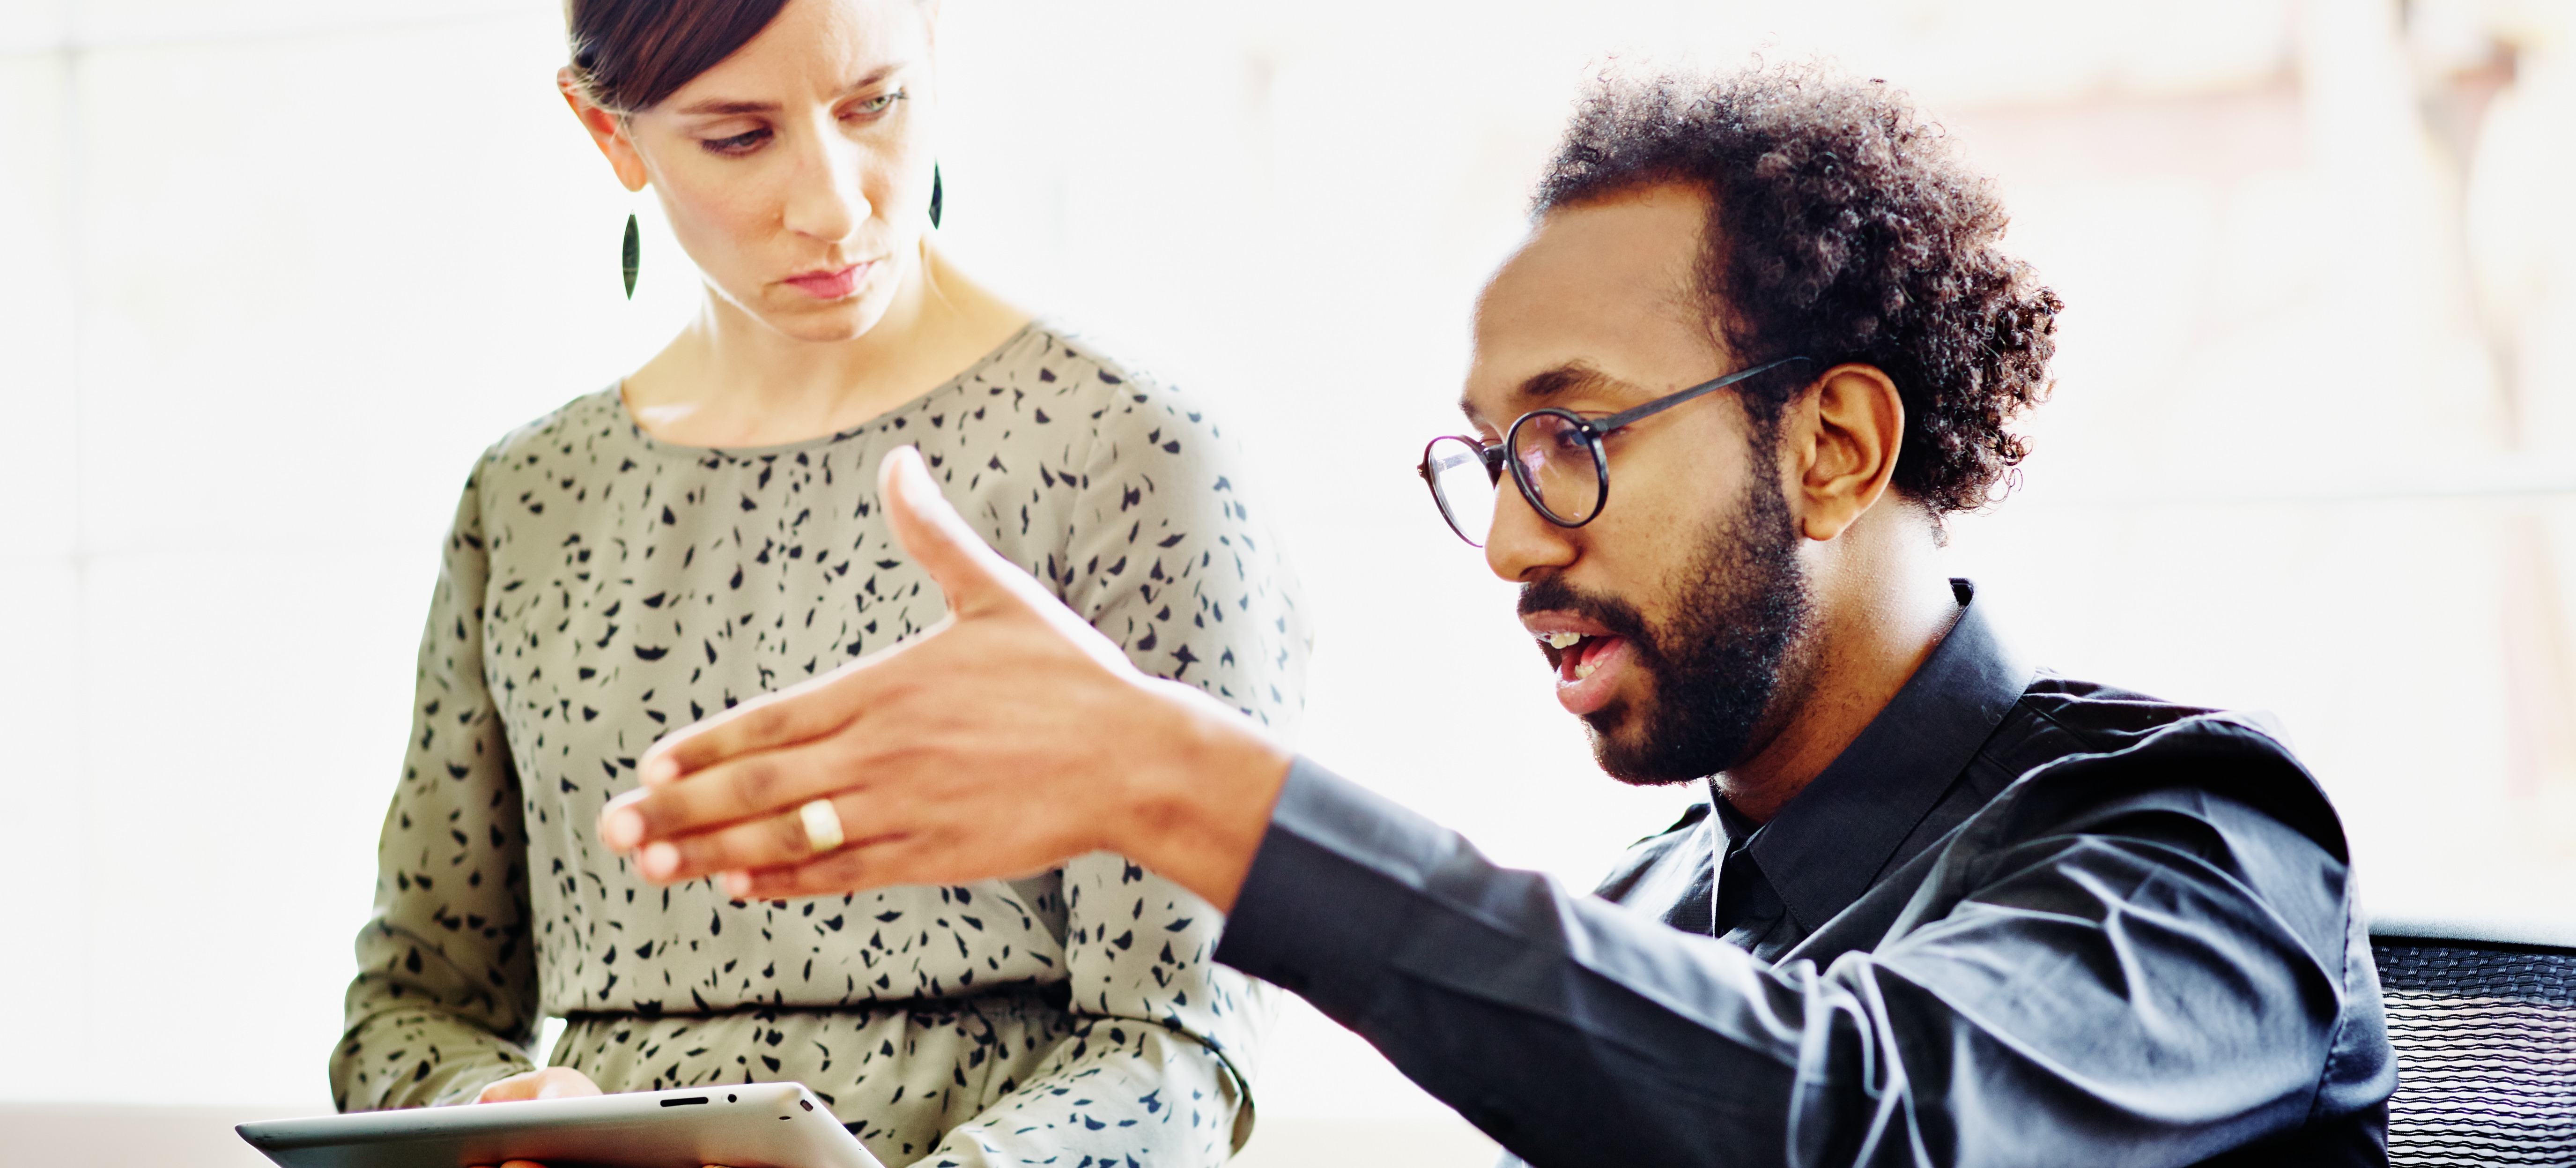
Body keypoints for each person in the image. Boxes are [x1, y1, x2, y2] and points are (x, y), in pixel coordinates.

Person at [597, 66, 2396, 1166]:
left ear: (1835, 442)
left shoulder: (2198, 849)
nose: (1507, 546)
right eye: (1485, 462)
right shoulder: (1658, 917)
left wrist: (1194, 789)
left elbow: (1857, 1127)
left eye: (1569, 441)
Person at [328, 1, 1308, 1165]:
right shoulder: (528, 495)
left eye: (875, 104)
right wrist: (494, 1116)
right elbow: (406, 1008)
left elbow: (1181, 1043)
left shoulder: (1126, 453)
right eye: (740, 136)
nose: (837, 204)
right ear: (609, 133)